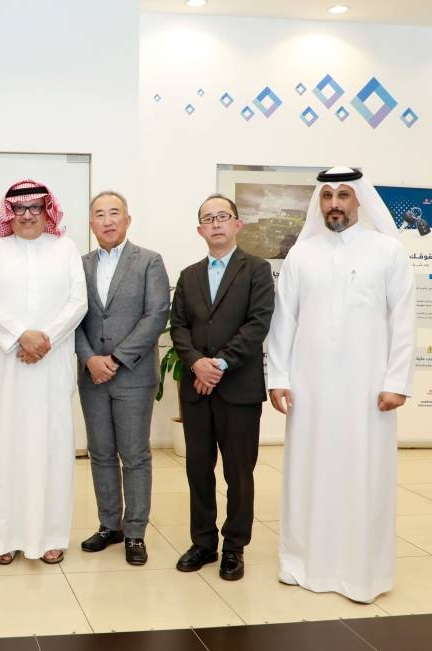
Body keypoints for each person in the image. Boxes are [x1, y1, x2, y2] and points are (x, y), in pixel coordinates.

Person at [267, 167, 415, 603]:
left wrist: (397, 381)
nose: (334, 203)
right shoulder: (302, 255)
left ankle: (361, 574)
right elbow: (283, 321)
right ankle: (300, 563)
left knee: (363, 476)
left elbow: (404, 320)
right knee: (307, 474)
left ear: (359, 201)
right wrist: (278, 378)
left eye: (343, 195)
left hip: (367, 391)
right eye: (327, 195)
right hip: (310, 389)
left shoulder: (387, 251)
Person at [0, 179, 88, 564]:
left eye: (34, 208)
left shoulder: (65, 248)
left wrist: (44, 339)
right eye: (18, 209)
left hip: (51, 365)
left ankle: (49, 536)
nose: (26, 215)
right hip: (6, 365)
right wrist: (21, 335)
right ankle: (0, 538)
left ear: (47, 211)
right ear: (8, 213)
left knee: (51, 449)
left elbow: (78, 303)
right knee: (3, 450)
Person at [169, 194, 274, 581]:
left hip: (238, 389)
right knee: (198, 469)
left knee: (238, 473)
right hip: (196, 390)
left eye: (222, 217)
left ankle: (234, 547)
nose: (215, 223)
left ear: (237, 224)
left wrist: (219, 364)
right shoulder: (189, 275)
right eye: (208, 219)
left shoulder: (257, 270)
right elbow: (179, 326)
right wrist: (196, 362)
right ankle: (203, 543)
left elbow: (258, 323)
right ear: (200, 229)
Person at [75, 191, 169, 565]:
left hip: (133, 374)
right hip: (92, 376)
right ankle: (109, 525)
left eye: (115, 213)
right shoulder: (80, 265)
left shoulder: (149, 261)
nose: (108, 220)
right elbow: (73, 318)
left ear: (128, 220)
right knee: (100, 453)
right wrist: (89, 359)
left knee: (134, 455)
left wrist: (115, 359)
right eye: (100, 214)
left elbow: (156, 315)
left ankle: (135, 532)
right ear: (91, 224)